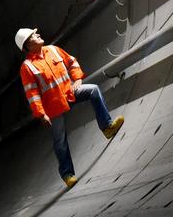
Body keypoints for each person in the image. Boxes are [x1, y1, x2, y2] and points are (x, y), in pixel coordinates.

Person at [15, 28, 124, 189]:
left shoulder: (53, 50)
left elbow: (71, 61)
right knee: (60, 140)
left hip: (69, 93)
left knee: (93, 90)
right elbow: (32, 93)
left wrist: (77, 79)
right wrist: (41, 114)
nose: (38, 35)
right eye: (34, 35)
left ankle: (107, 127)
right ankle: (67, 174)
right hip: (53, 106)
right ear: (28, 44)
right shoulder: (27, 67)